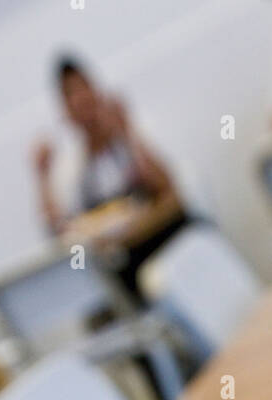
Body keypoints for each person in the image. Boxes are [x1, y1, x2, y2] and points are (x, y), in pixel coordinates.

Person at [32, 57, 189, 303]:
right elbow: (60, 232)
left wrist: (127, 131)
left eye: (84, 88)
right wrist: (41, 177)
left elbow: (169, 189)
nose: (81, 101)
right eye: (70, 96)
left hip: (167, 242)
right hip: (121, 265)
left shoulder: (135, 130)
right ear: (64, 111)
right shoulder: (70, 166)